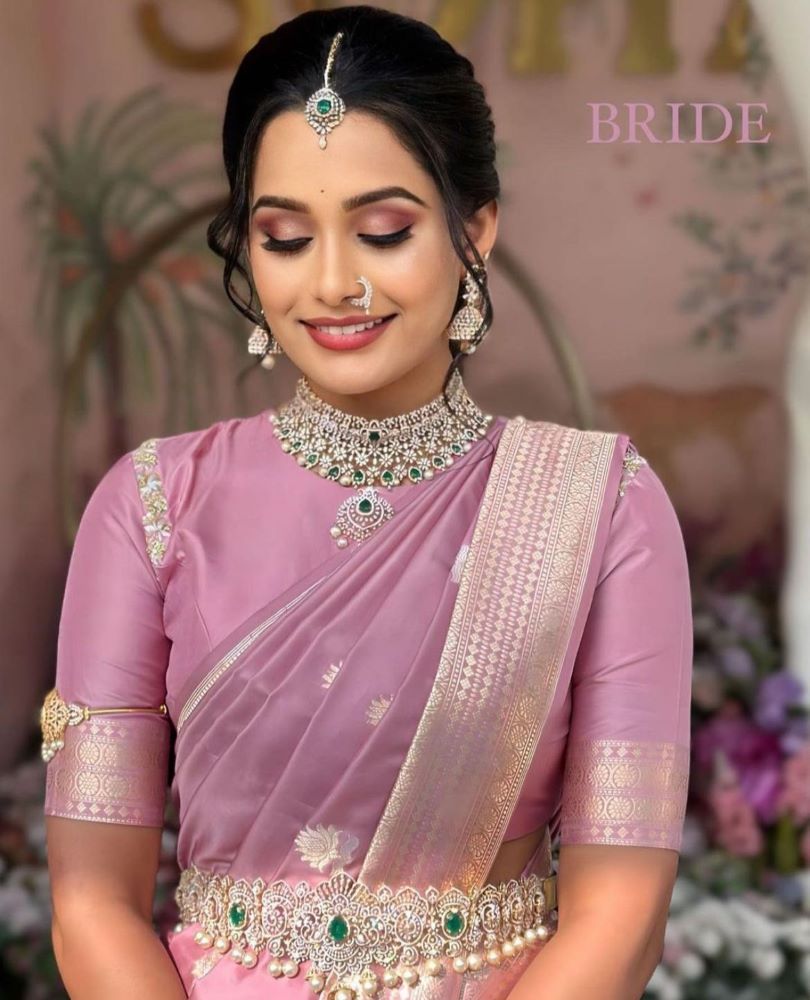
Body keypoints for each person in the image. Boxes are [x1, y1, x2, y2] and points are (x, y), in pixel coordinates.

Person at [42, 7, 693, 999]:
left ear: (475, 227)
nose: (336, 282)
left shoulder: (599, 508)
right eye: (286, 237)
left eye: (384, 230)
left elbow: (623, 909)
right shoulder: (152, 506)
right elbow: (93, 901)